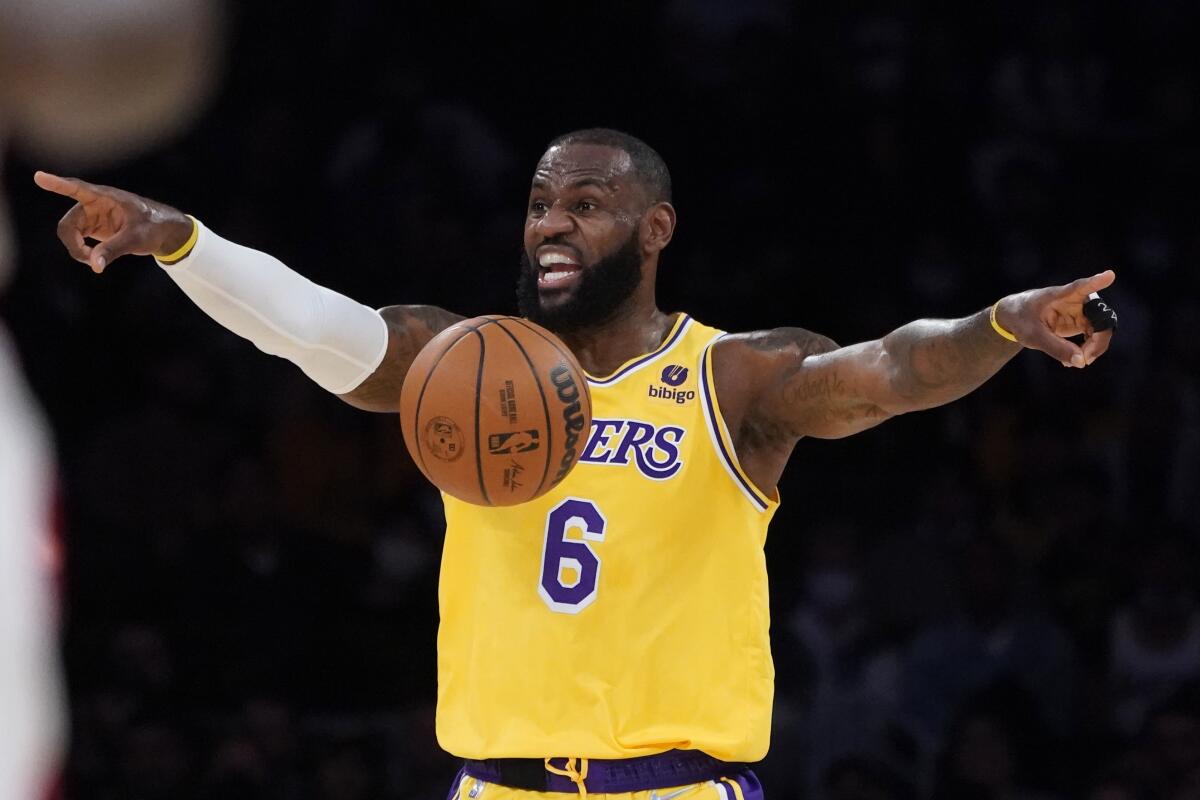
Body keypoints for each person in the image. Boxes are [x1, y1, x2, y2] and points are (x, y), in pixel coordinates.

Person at [35, 128, 1118, 800]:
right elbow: (313, 329)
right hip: (495, 785)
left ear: (656, 228)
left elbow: (889, 370)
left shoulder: (734, 378)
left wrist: (1004, 324)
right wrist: (181, 239)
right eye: (542, 204)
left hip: (676, 788)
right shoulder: (462, 365)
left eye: (585, 206)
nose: (552, 225)